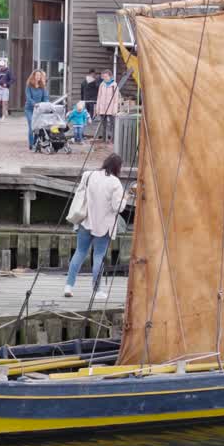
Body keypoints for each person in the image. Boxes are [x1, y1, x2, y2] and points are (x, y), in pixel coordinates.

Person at [64, 153, 128, 300]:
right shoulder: (115, 183)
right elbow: (117, 207)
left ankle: (68, 286)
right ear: (118, 167)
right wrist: (125, 199)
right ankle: (97, 289)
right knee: (98, 256)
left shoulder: (88, 175)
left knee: (79, 253)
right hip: (103, 226)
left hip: (85, 221)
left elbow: (81, 194)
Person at [24, 70, 48, 150]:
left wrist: (46, 104)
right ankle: (31, 144)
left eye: (40, 75)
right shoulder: (29, 86)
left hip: (39, 109)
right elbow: (28, 97)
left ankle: (35, 143)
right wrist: (34, 104)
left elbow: (45, 97)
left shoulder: (43, 86)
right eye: (37, 75)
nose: (38, 77)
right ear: (33, 76)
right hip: (30, 109)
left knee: (38, 127)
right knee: (32, 126)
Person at [94, 69, 118, 144]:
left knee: (112, 125)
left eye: (106, 76)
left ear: (110, 76)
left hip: (111, 108)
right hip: (102, 108)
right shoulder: (102, 84)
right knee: (103, 125)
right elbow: (99, 97)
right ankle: (104, 139)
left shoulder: (114, 85)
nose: (104, 78)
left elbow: (116, 98)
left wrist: (115, 109)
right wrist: (97, 108)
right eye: (103, 76)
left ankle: (112, 140)